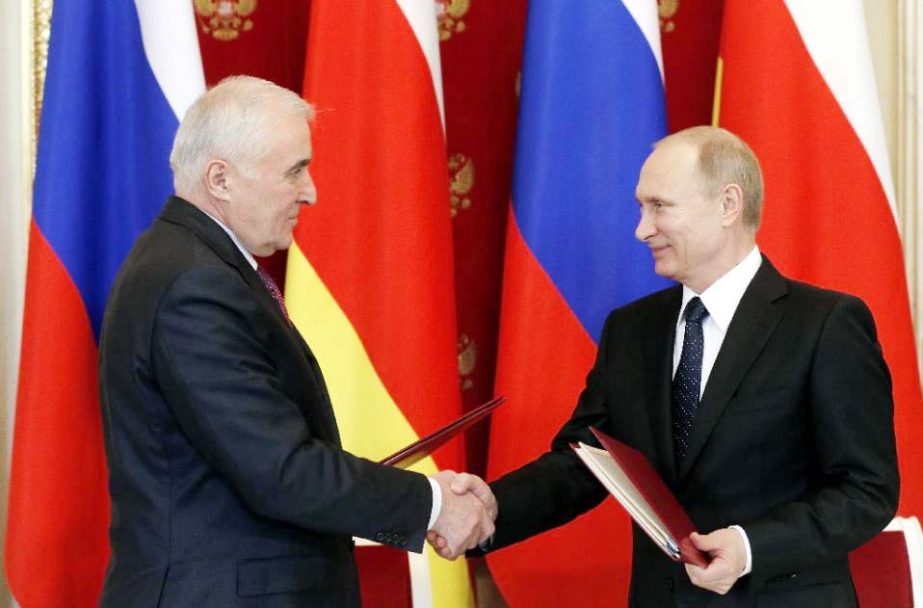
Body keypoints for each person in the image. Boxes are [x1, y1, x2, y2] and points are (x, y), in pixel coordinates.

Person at [440, 126, 899, 607]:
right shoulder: (632, 330)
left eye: (660, 206)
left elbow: (865, 490)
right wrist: (493, 506)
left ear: (728, 204)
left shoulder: (825, 324)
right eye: (642, 207)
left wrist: (748, 546)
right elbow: (584, 463)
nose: (642, 229)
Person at [97, 75, 494, 607]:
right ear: (221, 178)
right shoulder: (194, 284)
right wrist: (430, 502)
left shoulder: (194, 264)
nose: (310, 191)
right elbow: (280, 470)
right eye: (295, 171)